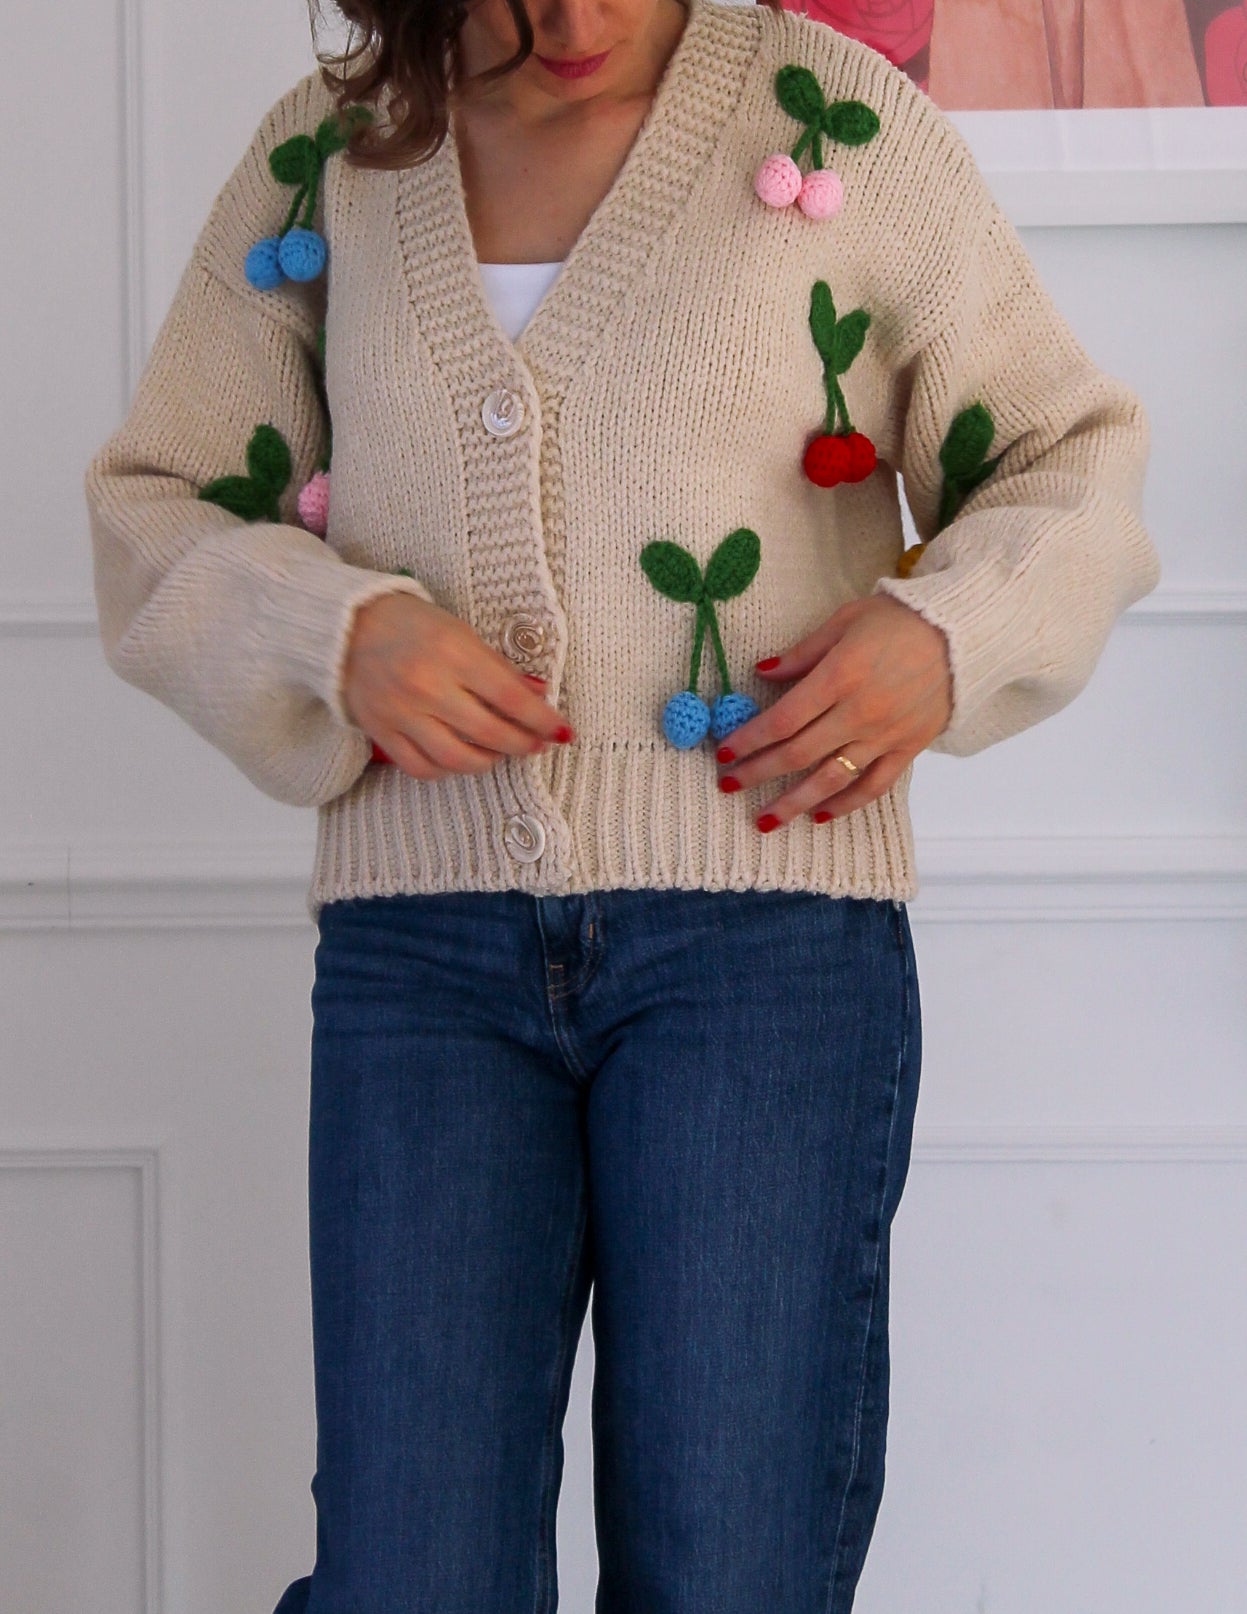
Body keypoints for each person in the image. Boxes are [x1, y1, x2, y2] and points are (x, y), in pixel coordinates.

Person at [83, 0, 1162, 1607]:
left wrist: (947, 636)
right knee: (408, 1577)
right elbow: (158, 500)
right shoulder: (339, 157)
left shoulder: (835, 127)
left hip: (768, 959)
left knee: (731, 1565)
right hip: (422, 960)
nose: (578, 20)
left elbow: (1070, 459)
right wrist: (333, 628)